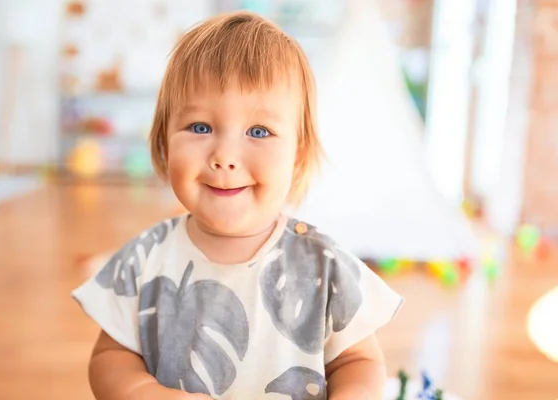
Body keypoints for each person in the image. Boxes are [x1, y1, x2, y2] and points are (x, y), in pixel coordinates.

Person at [72, 10, 403, 400]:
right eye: (200, 127)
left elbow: (359, 363)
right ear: (164, 141)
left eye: (259, 131)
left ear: (297, 155)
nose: (225, 156)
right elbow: (109, 357)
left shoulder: (323, 266)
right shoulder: (144, 259)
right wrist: (142, 390)